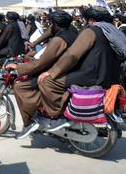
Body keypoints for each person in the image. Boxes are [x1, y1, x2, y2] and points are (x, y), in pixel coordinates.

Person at [34, 7, 126, 135]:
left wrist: (52, 72)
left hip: (92, 75)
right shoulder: (114, 31)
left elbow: (72, 55)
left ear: (90, 20)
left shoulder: (92, 31)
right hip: (112, 75)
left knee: (47, 82)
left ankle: (57, 117)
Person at [5, 10, 78, 138]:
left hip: (57, 73)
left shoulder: (59, 40)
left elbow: (41, 63)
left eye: (51, 23)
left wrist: (19, 67)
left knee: (20, 86)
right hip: (68, 70)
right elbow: (47, 39)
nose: (50, 26)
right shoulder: (72, 33)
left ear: (55, 24)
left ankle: (29, 123)